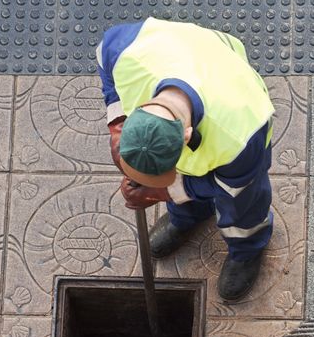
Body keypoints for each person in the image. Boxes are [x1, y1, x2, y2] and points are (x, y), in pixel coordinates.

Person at [96, 17, 275, 302]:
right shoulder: (124, 52)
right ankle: (187, 216)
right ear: (142, 107)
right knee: (184, 187)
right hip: (184, 53)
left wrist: (167, 190)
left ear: (187, 135)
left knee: (243, 208)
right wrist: (117, 123)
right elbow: (105, 59)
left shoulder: (239, 136)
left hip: (230, 85)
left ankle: (247, 248)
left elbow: (230, 186)